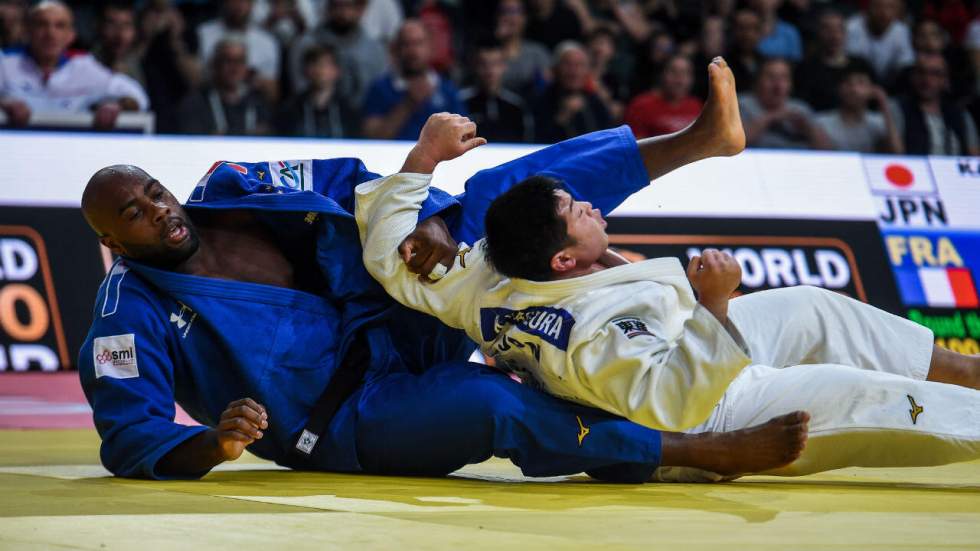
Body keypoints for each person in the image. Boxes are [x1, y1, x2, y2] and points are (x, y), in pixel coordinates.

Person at [79, 95, 809, 484]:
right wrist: (214, 443)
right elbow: (131, 436)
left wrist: (427, 218)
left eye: (153, 191)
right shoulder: (128, 312)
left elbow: (352, 184)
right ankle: (690, 448)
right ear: (112, 242)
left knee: (498, 202)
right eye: (134, 215)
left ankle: (700, 139)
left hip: (395, 318)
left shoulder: (233, 188)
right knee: (488, 398)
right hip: (347, 418)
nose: (160, 210)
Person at [356, 60, 980, 480]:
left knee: (815, 307)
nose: (591, 206)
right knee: (873, 400)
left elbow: (388, 257)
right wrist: (712, 305)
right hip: (707, 408)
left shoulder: (480, 276)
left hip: (685, 348)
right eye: (576, 211)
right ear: (564, 260)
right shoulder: (579, 332)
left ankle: (970, 371)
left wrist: (424, 158)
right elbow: (671, 401)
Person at [0, 1, 148, 129]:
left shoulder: (83, 66)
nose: (50, 33)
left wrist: (117, 106)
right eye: (41, 24)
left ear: (71, 35)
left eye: (60, 26)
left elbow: (137, 96)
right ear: (28, 30)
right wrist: (4, 104)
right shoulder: (5, 61)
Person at [361, 19, 464, 140]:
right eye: (406, 44)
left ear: (430, 47)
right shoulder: (379, 88)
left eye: (418, 43)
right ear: (396, 49)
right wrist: (408, 104)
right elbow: (371, 138)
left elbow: (462, 137)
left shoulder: (447, 90)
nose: (412, 51)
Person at [288, 0, 386, 104]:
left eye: (348, 6)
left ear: (361, 10)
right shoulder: (305, 44)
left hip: (364, 115)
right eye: (336, 6)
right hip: (315, 113)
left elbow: (377, 93)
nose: (342, 12)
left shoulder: (375, 49)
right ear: (327, 8)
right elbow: (300, 90)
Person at [177, 37, 271, 136]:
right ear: (215, 64)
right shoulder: (196, 103)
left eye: (240, 61)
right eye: (228, 61)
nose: (234, 68)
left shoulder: (257, 102)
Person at [892, 53, 980, 156]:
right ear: (912, 77)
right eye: (921, 72)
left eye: (935, 74)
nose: (927, 79)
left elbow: (975, 157)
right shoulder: (899, 108)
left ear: (945, 80)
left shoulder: (960, 115)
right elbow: (896, 156)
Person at [739, 57, 832, 150]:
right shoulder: (742, 105)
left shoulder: (800, 108)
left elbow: (828, 150)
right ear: (757, 81)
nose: (778, 85)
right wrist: (771, 117)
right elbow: (737, 142)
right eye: (771, 77)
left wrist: (809, 129)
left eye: (784, 78)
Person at [197, 0, 280, 101]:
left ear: (252, 4)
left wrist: (254, 79)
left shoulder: (267, 42)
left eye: (244, 1)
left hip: (251, 107)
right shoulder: (202, 34)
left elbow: (273, 95)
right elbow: (196, 82)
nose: (238, 5)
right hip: (210, 103)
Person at [532, 41, 611, 143]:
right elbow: (537, 140)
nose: (574, 72)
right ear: (556, 68)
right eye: (568, 65)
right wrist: (563, 117)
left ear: (587, 70)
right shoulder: (541, 100)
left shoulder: (595, 101)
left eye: (579, 65)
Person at [815, 61, 902, 153]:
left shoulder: (879, 123)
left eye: (860, 83)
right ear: (838, 89)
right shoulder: (822, 123)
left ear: (872, 89)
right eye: (847, 83)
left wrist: (884, 105)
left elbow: (897, 152)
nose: (853, 89)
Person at [459, 40, 534, 143]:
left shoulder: (516, 107)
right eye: (483, 64)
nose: (489, 70)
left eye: (495, 64)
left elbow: (526, 145)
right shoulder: (460, 102)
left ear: (504, 66)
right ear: (475, 66)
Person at [278, 44, 359, 138]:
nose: (319, 70)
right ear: (305, 70)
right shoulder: (290, 109)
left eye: (325, 65)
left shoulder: (349, 110)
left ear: (337, 70)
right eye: (314, 64)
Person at [794, 8, 864, 112]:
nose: (834, 35)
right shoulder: (805, 68)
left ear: (845, 33)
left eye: (839, 29)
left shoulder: (861, 65)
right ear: (818, 32)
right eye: (827, 29)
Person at [625, 55, 703, 139]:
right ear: (662, 74)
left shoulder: (696, 106)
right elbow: (635, 146)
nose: (680, 79)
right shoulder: (641, 106)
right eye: (673, 72)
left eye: (686, 73)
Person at [845, 0, 914, 89]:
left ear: (899, 12)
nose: (884, 13)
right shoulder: (851, 27)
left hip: (890, 89)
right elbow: (847, 64)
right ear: (868, 8)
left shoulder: (902, 31)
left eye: (890, 7)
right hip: (856, 86)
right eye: (878, 6)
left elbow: (905, 67)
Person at [494, 0, 551, 96]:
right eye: (504, 11)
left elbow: (546, 87)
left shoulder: (537, 52)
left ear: (524, 18)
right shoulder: (490, 51)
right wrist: (496, 42)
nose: (509, 17)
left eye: (515, 11)